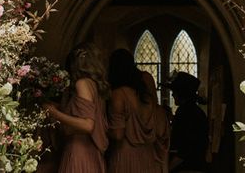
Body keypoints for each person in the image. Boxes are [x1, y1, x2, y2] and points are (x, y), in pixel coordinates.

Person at [44, 44, 110, 173]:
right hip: (90, 153)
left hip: (80, 152)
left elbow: (87, 125)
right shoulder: (94, 85)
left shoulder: (83, 83)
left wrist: (55, 113)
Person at [107, 49, 167, 172]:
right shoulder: (147, 97)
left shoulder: (118, 94)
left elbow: (118, 135)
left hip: (125, 157)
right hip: (147, 157)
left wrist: (101, 127)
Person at [167, 72, 209, 173]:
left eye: (174, 91)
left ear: (181, 93)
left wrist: (167, 169)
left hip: (187, 168)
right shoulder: (198, 112)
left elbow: (184, 150)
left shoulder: (184, 113)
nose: (172, 94)